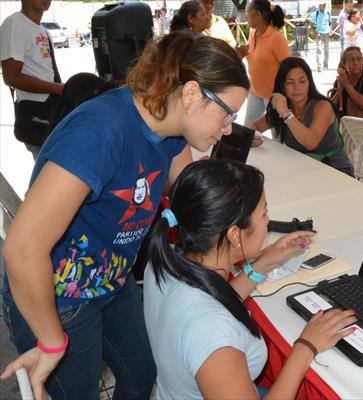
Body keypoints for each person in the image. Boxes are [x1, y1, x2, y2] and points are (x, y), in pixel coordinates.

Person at [0, 33, 250, 399]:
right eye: (227, 114)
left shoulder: (172, 129)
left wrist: (243, 218)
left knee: (141, 373)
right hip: (57, 295)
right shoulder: (99, 133)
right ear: (192, 93)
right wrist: (52, 341)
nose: (228, 127)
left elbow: (187, 192)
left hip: (111, 281)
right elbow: (22, 249)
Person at [142, 159, 357, 399]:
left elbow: (215, 299)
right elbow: (208, 319)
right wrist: (306, 347)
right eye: (264, 213)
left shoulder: (167, 259)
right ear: (235, 235)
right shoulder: (212, 333)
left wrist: (266, 262)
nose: (267, 221)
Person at [250, 57, 354, 176]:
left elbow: (311, 142)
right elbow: (256, 125)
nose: (297, 87)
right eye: (290, 82)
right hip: (302, 169)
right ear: (282, 86)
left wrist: (286, 114)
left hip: (336, 171)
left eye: (302, 81)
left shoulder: (323, 106)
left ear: (309, 83)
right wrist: (253, 138)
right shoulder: (283, 106)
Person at [0, 0, 64, 160]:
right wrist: (57, 88)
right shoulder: (15, 24)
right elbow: (11, 77)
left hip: (52, 113)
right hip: (36, 116)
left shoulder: (43, 30)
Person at [242, 0, 290, 126]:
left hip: (274, 95)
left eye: (248, 12)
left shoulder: (276, 38)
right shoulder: (253, 34)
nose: (245, 17)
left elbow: (289, 67)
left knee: (278, 137)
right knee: (248, 129)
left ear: (258, 14)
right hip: (255, 91)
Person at [332, 46, 363, 117]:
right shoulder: (341, 79)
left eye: (359, 59)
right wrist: (338, 91)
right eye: (352, 60)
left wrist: (347, 85)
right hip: (344, 123)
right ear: (344, 64)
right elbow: (330, 107)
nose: (356, 63)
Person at [312, 2, 333, 72]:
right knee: (319, 50)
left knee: (326, 50)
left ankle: (326, 65)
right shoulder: (316, 13)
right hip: (319, 34)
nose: (324, 6)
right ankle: (319, 66)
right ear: (319, 6)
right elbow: (312, 25)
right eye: (322, 5)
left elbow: (330, 23)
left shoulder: (328, 13)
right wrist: (316, 33)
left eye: (324, 5)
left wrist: (330, 31)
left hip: (326, 33)